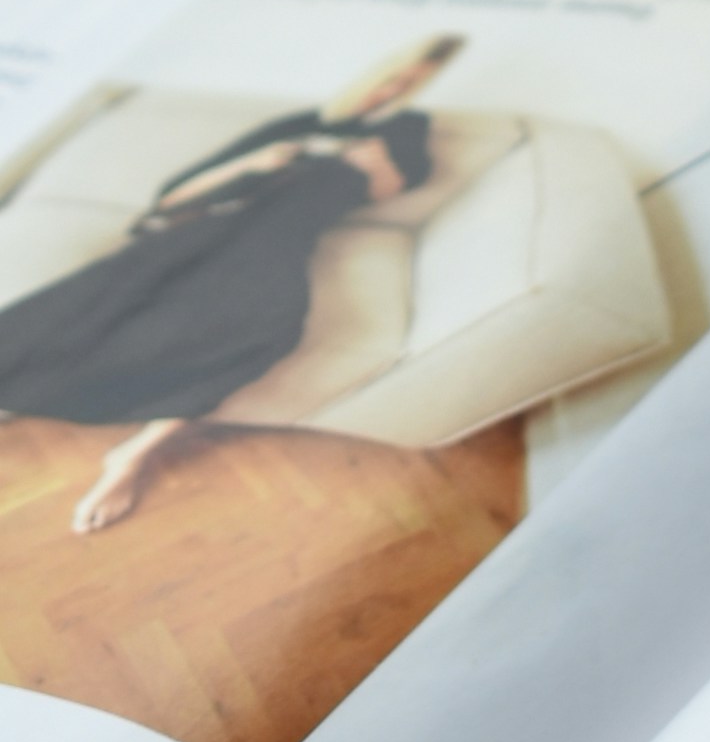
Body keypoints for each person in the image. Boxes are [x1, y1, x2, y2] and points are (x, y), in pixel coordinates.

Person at [0, 45, 466, 534]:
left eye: (407, 84)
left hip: (277, 244)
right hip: (201, 232)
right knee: (82, 310)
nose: (390, 90)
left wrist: (372, 163)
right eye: (389, 77)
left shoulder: (405, 129)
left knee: (264, 328)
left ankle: (131, 455)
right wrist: (255, 162)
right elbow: (173, 198)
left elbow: (394, 186)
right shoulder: (302, 121)